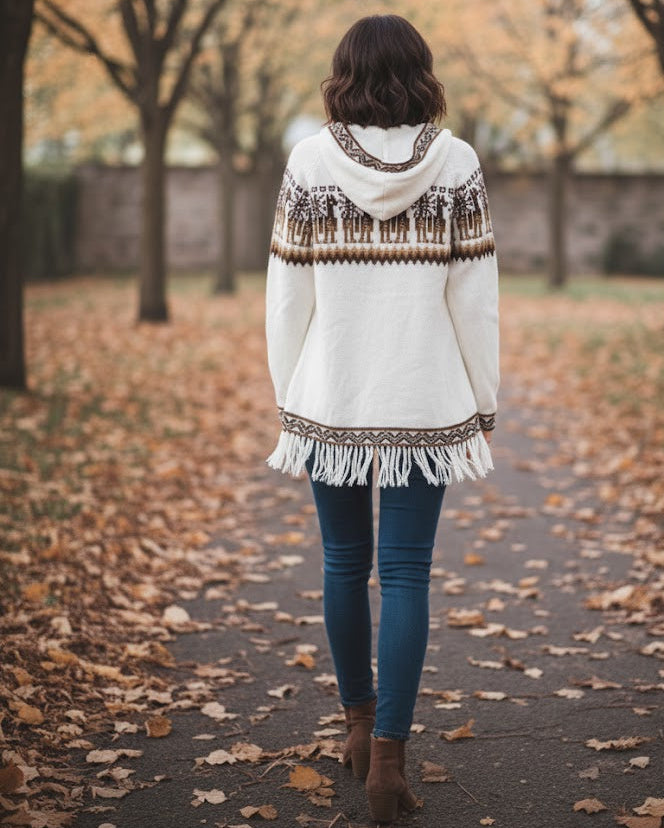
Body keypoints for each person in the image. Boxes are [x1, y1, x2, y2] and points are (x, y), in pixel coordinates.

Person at [264, 13, 499, 824]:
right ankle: (390, 761)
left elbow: (286, 292)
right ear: (420, 72)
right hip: (423, 397)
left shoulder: (309, 161)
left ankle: (358, 727)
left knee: (341, 563)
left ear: (344, 74)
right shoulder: (458, 162)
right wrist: (484, 396)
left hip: (332, 396)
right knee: (404, 573)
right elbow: (476, 297)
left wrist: (287, 393)